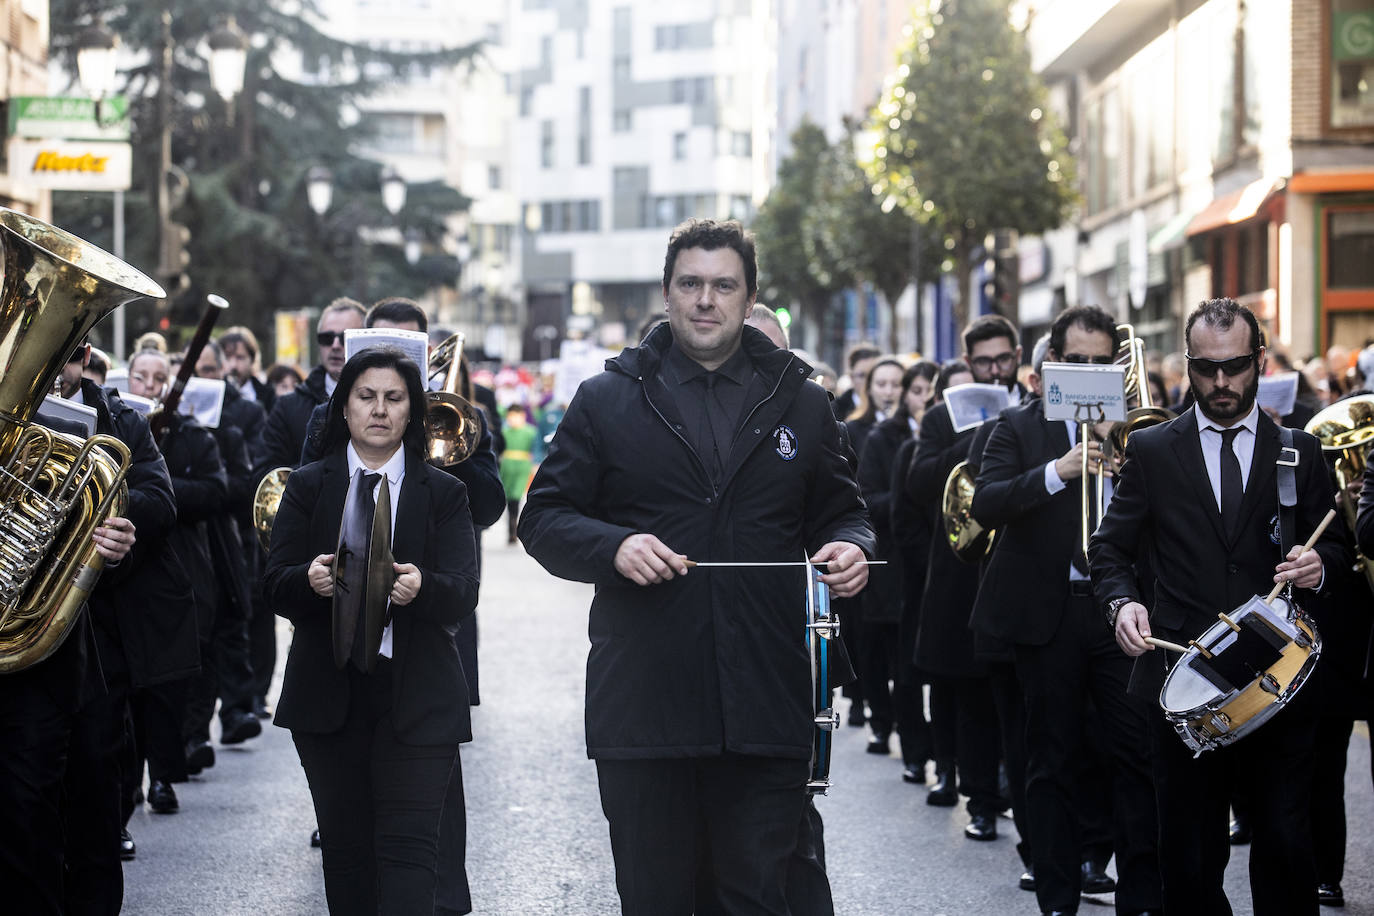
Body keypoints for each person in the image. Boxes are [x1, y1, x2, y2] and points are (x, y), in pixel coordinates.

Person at [518, 218, 874, 913]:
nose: (706, 300)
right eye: (691, 284)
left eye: (723, 286)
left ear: (748, 299)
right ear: (666, 293)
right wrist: (613, 546)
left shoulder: (801, 400)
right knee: (657, 902)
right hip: (644, 709)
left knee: (756, 899)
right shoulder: (606, 398)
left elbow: (843, 509)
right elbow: (544, 518)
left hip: (766, 706)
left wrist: (851, 546)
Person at [1090, 298, 1346, 916]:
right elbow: (1109, 549)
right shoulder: (1152, 451)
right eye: (1206, 370)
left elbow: (1338, 541)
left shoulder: (1298, 452)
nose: (1222, 383)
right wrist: (1122, 604)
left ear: (1259, 361)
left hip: (1278, 678)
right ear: (1188, 366)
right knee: (1190, 857)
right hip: (1184, 683)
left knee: (1286, 845)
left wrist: (1322, 565)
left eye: (1234, 367)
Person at [265, 346, 480, 915]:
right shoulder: (309, 485)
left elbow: (463, 589)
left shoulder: (445, 492)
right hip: (328, 697)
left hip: (418, 697)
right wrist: (307, 580)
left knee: (411, 857)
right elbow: (272, 583)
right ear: (345, 408)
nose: (379, 410)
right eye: (366, 397)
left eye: (394, 398)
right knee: (346, 855)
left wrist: (423, 587)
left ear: (412, 411)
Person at [971, 306, 1161, 916]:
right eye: (1073, 362)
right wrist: (1059, 470)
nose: (1084, 373)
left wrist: (1129, 463)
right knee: (1047, 759)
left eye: (1098, 364)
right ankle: (1057, 897)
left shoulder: (1139, 434)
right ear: (1050, 366)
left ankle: (1139, 895)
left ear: (1116, 369)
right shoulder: (1016, 427)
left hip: (1118, 613)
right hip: (1047, 616)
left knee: (1133, 755)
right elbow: (988, 501)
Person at [908, 316, 1023, 841]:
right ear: (967, 363)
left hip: (1020, 570)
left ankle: (1013, 788)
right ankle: (981, 797)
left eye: (1003, 359)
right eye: (984, 362)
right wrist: (974, 437)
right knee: (974, 695)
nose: (995, 369)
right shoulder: (940, 418)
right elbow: (919, 482)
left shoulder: (1035, 407)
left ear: (1018, 356)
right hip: (964, 572)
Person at [500, 404, 536, 545]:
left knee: (515, 496)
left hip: (522, 466)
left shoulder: (530, 432)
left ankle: (514, 528)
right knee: (508, 497)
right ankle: (510, 527)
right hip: (507, 466)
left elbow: (536, 448)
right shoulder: (504, 431)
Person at [220, 325, 277, 413]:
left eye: (240, 357)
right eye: (227, 357)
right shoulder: (216, 393)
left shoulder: (267, 395)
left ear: (252, 359)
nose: (233, 365)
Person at [833, 344, 881, 420]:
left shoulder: (894, 409)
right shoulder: (835, 410)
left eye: (873, 375)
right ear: (851, 377)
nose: (868, 381)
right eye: (862, 376)